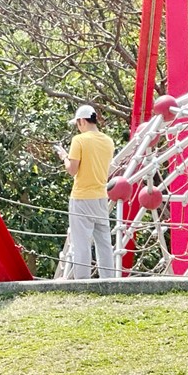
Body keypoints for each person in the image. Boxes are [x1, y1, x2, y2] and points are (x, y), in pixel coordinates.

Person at [57, 104, 115, 279]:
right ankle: (109, 280)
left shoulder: (79, 140)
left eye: (77, 123)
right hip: (101, 197)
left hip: (81, 197)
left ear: (82, 121)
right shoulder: (108, 141)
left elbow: (72, 169)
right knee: (104, 243)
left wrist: (64, 157)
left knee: (81, 243)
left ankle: (82, 282)